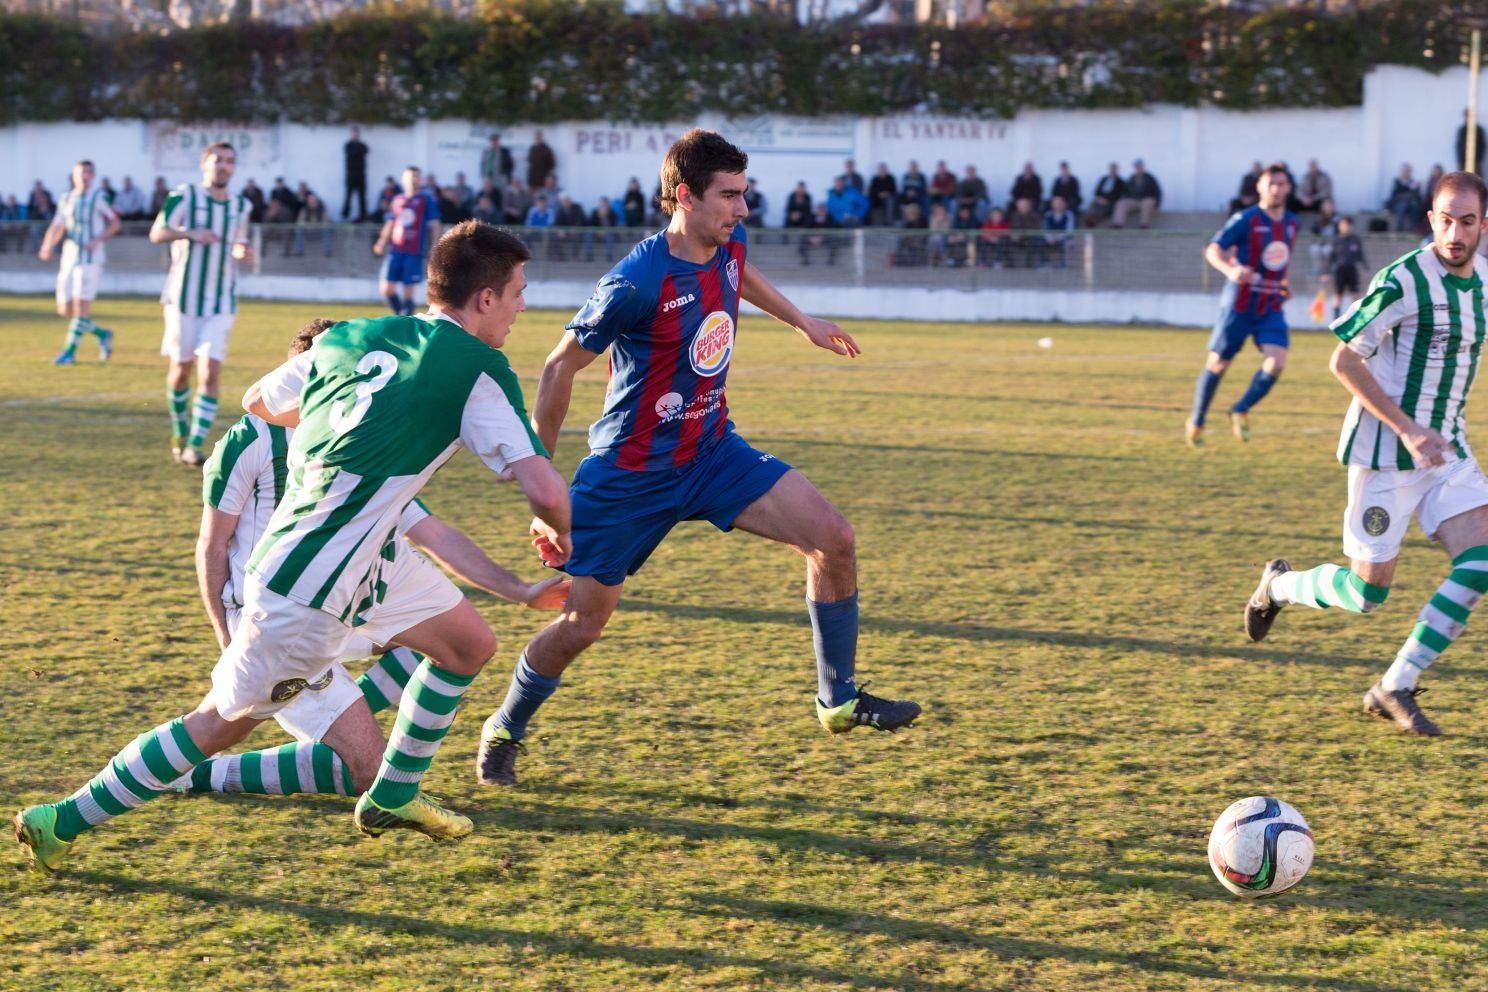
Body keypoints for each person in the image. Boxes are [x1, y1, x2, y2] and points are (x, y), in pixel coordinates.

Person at [13, 221, 573, 873]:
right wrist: (556, 529)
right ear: (484, 299)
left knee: (469, 643)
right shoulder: (477, 368)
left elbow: (258, 398)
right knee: (220, 723)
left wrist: (335, 430)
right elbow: (544, 486)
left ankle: (395, 791)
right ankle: (63, 818)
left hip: (364, 572)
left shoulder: (358, 336)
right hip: (305, 589)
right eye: (517, 292)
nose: (522, 306)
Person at [472, 130, 921, 789]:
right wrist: (541, 481)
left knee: (834, 539)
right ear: (684, 196)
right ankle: (505, 727)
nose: (743, 209)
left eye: (745, 194)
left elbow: (742, 274)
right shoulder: (635, 280)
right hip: (629, 478)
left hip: (713, 453)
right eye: (730, 196)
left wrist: (802, 321)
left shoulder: (727, 241)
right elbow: (557, 368)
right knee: (580, 626)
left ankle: (839, 700)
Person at [179, 316, 569, 802]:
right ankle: (196, 775)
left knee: (443, 642)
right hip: (274, 612)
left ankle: (344, 726)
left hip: (340, 606)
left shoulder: (365, 443)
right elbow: (213, 544)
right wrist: (225, 633)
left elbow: (434, 535)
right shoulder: (250, 441)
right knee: (239, 731)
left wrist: (521, 591)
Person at [1243, 171, 1488, 738]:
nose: (1455, 232)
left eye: (1467, 221)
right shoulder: (1403, 280)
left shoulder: (1483, 287)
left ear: (1482, 225)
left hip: (1448, 455)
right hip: (1386, 453)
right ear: (1431, 219)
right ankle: (1277, 586)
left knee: (1481, 562)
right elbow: (1344, 362)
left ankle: (1395, 685)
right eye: (1446, 220)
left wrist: (1432, 434)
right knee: (1367, 593)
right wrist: (1406, 429)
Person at [149, 142, 254, 467]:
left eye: (229, 161)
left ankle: (194, 444)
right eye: (218, 160)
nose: (223, 166)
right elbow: (158, 232)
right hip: (182, 298)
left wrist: (241, 252)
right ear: (204, 163)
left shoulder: (241, 205)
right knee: (181, 369)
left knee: (209, 370)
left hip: (222, 299)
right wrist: (190, 233)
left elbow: (239, 241)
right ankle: (180, 431)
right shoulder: (185, 195)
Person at [1186, 164, 1299, 447]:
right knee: (1219, 364)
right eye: (1270, 183)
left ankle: (1240, 408)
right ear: (1259, 187)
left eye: (1281, 183)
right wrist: (1230, 270)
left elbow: (1280, 258)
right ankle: (1197, 420)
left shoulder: (1292, 223)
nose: (1276, 188)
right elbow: (1213, 250)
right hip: (1239, 304)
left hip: (1270, 305)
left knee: (1277, 363)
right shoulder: (1246, 218)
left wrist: (1285, 283)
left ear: (1288, 188)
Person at [39, 160, 121, 366]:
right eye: (81, 172)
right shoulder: (66, 198)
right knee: (65, 309)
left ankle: (69, 352)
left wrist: (97, 239)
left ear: (92, 175)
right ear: (74, 175)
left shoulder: (99, 197)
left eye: (88, 172)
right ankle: (103, 334)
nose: (84, 176)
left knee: (80, 305)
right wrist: (48, 245)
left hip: (91, 260)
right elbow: (58, 225)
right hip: (70, 258)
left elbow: (115, 223)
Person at [372, 166, 441, 317]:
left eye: (417, 176)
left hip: (414, 251)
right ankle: (401, 314)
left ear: (420, 179)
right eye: (411, 176)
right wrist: (381, 242)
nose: (414, 179)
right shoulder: (397, 199)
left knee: (408, 291)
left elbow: (435, 224)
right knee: (386, 289)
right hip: (396, 250)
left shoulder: (425, 199)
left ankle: (406, 318)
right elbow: (391, 222)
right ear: (404, 179)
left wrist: (435, 246)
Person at [1326, 216, 1367, 319]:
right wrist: (1326, 272)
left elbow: (1360, 255)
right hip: (1340, 270)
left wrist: (1365, 268)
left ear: (1351, 226)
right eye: (1343, 225)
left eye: (1348, 225)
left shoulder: (1355, 240)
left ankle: (1358, 320)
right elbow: (1331, 257)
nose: (1345, 227)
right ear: (1340, 226)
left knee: (1356, 295)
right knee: (1338, 296)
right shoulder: (1337, 240)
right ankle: (1336, 320)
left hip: (1352, 270)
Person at [1112, 159, 1161, 228]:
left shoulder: (1150, 178)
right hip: (1134, 200)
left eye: (1140, 167)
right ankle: (1118, 224)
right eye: (1137, 167)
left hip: (1146, 200)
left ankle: (1144, 225)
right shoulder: (1132, 178)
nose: (1138, 168)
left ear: (1143, 167)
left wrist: (1156, 206)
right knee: (1121, 203)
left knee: (1147, 202)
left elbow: (1157, 192)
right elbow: (1126, 191)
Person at [1083, 162, 1125, 228]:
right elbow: (1096, 190)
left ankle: (1093, 221)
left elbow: (1118, 194)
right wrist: (1099, 198)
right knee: (1093, 205)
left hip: (1110, 201)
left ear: (1117, 170)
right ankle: (1088, 218)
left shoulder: (1120, 182)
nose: (1112, 170)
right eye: (1111, 169)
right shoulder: (1103, 179)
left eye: (1114, 169)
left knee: (1104, 209)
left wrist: (1106, 200)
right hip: (1100, 199)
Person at [343, 126, 369, 221]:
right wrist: (357, 151)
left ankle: (363, 216)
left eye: (357, 133)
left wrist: (357, 150)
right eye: (354, 133)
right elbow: (353, 153)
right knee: (348, 196)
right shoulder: (348, 145)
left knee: (362, 197)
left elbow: (365, 151)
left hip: (361, 176)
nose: (356, 135)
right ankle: (345, 215)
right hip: (350, 176)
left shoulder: (362, 145)